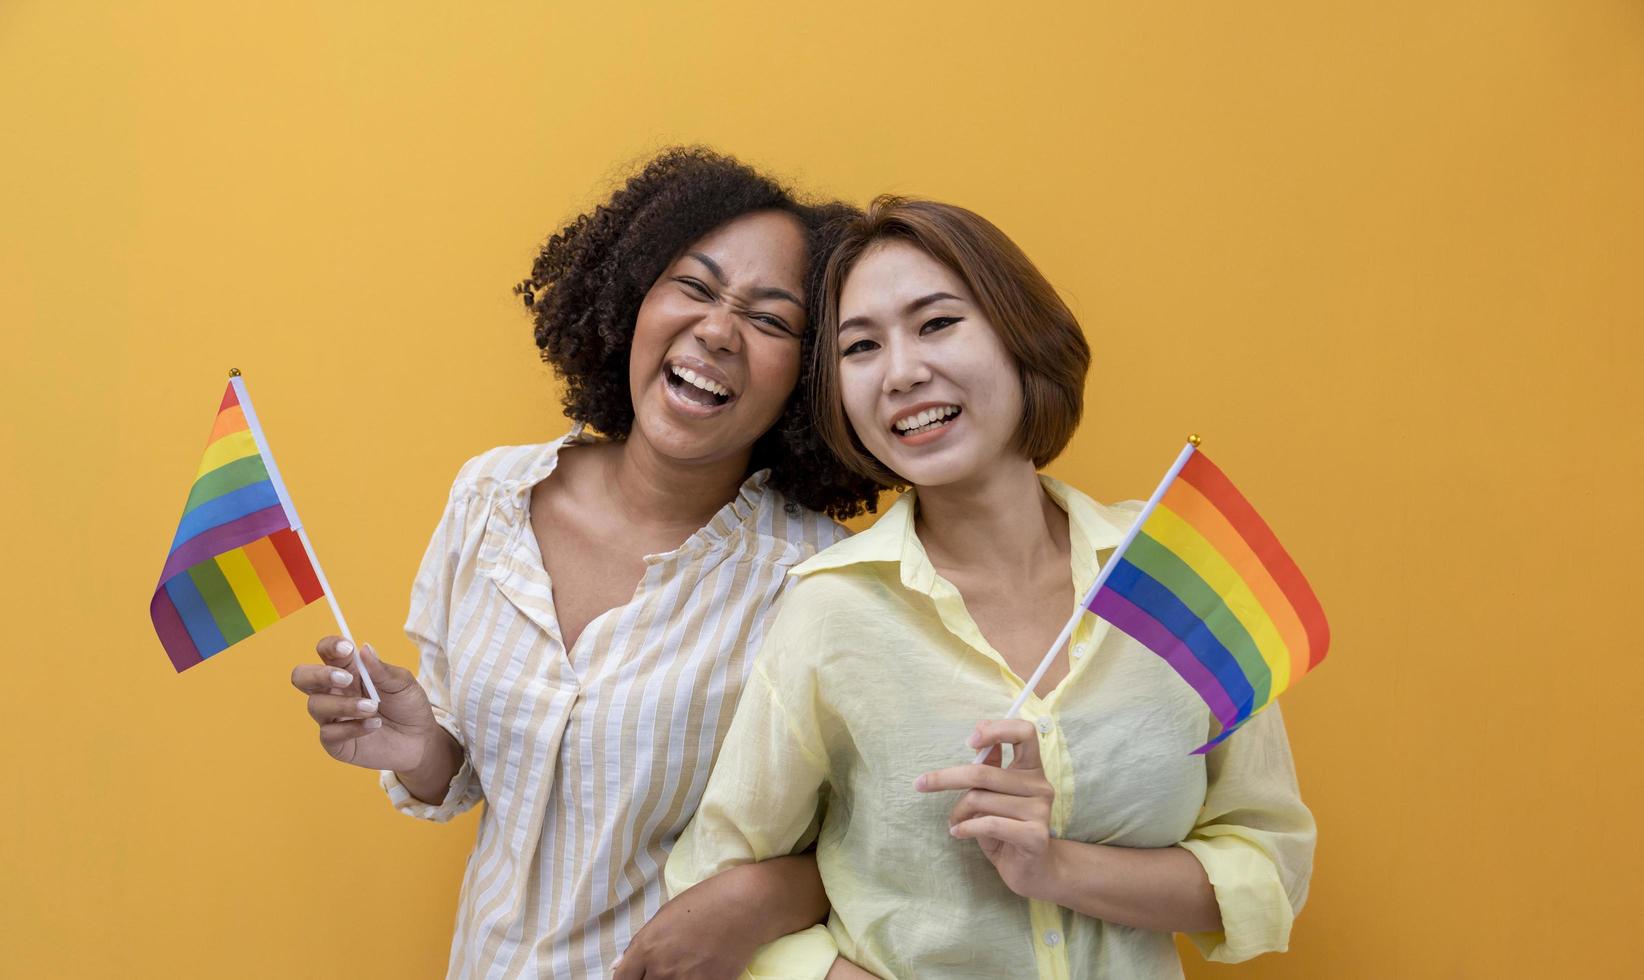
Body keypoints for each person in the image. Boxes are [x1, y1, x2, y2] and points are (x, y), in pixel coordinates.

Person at [666, 197, 1315, 978]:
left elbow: (1268, 863)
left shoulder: (1172, 569)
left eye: (937, 323)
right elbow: (714, 884)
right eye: (862, 346)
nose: (903, 372)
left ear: (1019, 335)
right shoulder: (831, 608)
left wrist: (1058, 869)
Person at [287, 147, 881, 978]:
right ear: (633, 297)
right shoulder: (490, 497)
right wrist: (421, 746)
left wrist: (764, 899)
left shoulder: (822, 577)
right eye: (695, 286)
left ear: (809, 375)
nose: (716, 330)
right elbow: (469, 778)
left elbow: (884, 845)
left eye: (771, 320)